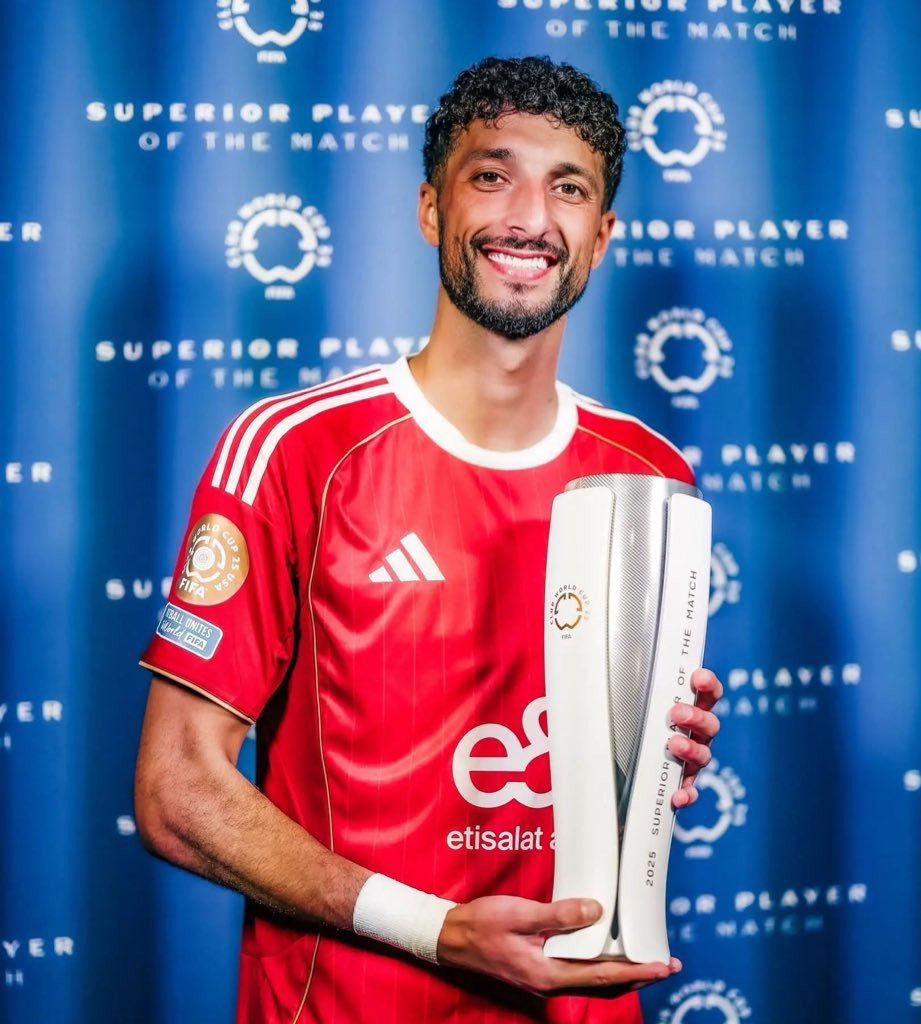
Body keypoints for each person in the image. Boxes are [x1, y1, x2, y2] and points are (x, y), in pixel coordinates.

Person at [135, 56, 723, 1024]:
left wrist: (658, 758)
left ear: (603, 235)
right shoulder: (295, 449)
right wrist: (435, 927)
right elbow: (177, 788)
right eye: (493, 176)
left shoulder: (647, 471)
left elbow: (621, 767)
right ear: (428, 209)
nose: (530, 218)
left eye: (568, 188)